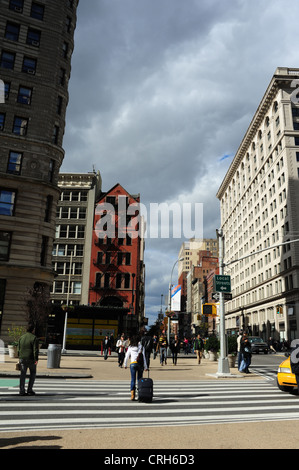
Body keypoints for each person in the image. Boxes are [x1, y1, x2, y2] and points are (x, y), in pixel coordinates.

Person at [17, 324, 39, 396]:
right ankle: (29, 390)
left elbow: (18, 348)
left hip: (22, 358)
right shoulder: (34, 338)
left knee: (22, 374)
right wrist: (36, 359)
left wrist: (19, 357)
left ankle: (22, 390)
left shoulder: (21, 337)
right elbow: (35, 350)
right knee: (33, 373)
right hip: (31, 358)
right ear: (33, 330)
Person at [124, 335, 147, 400]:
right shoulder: (141, 347)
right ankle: (140, 394)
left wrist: (125, 364)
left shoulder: (130, 347)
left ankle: (132, 395)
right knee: (139, 380)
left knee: (132, 379)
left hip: (133, 364)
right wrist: (146, 367)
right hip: (140, 365)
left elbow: (126, 356)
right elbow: (144, 357)